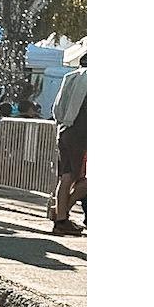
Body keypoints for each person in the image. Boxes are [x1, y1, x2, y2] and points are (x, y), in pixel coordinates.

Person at [50, 51, 87, 234]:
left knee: (66, 177)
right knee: (82, 179)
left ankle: (61, 216)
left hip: (65, 130)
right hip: (82, 133)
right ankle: (61, 215)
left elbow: (56, 109)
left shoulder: (71, 77)